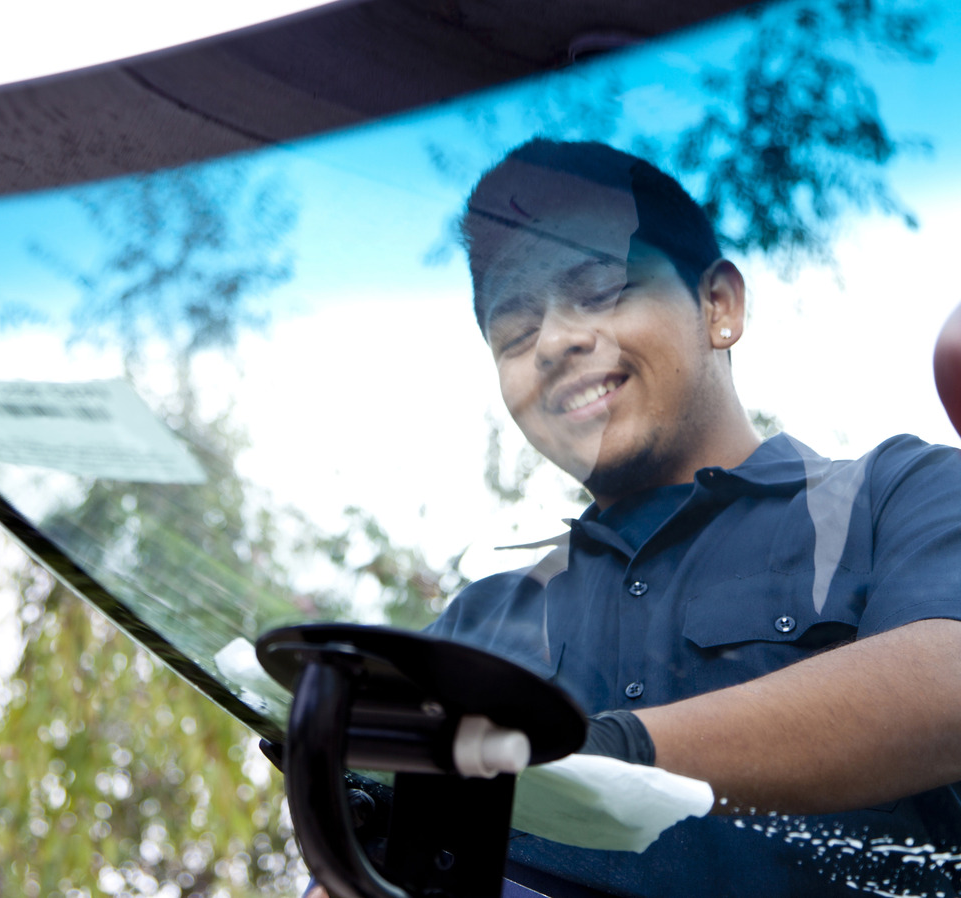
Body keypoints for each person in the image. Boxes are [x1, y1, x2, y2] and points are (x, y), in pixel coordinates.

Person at [310, 139, 961, 898]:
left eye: (599, 290)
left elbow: (947, 679)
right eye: (514, 333)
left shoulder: (903, 493)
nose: (554, 342)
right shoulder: (472, 627)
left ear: (718, 305)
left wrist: (604, 758)